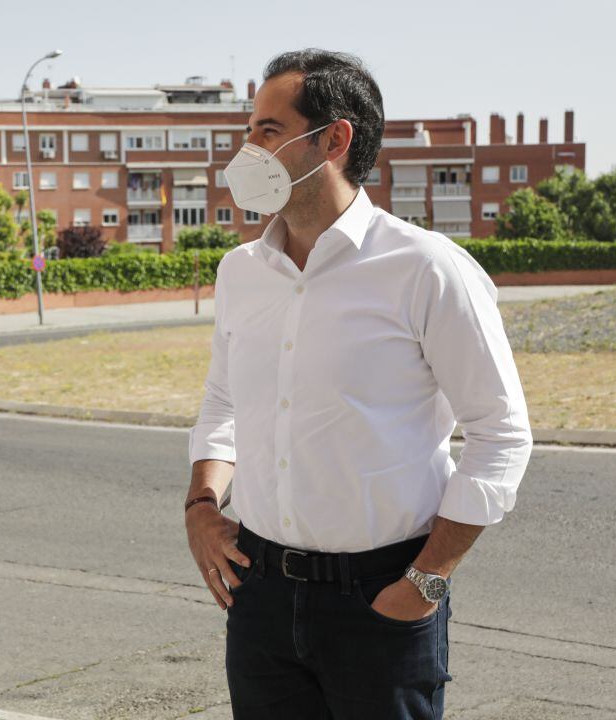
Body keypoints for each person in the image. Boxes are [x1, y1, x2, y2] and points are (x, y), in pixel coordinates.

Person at [184, 49, 533, 719]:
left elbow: (500, 434)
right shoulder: (241, 272)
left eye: (266, 130)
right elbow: (224, 404)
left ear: (334, 139)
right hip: (258, 597)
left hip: (382, 598)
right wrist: (201, 508)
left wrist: (425, 581)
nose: (245, 151)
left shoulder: (427, 269)